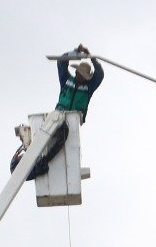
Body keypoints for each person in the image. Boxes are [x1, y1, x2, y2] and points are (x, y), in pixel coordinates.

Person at [10, 44, 105, 179]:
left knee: (67, 142)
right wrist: (75, 53)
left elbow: (100, 75)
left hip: (74, 120)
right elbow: (61, 62)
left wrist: (92, 58)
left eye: (82, 75)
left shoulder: (88, 88)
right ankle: (39, 160)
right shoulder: (67, 80)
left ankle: (47, 160)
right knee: (49, 139)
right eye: (78, 73)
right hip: (58, 117)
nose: (79, 76)